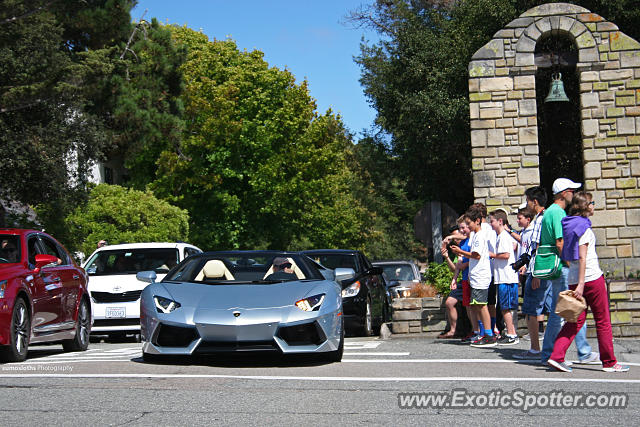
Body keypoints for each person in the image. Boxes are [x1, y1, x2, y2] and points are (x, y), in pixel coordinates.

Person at [548, 192, 629, 373]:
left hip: (573, 278)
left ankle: (556, 356)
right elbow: (583, 257)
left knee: (574, 321)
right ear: (586, 205)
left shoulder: (569, 224)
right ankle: (609, 362)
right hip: (590, 279)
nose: (594, 205)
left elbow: (569, 254)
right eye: (592, 202)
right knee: (603, 321)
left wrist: (576, 281)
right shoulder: (583, 227)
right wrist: (582, 285)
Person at [539, 178, 598, 366]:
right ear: (565, 193)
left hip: (555, 268)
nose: (574, 194)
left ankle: (550, 352)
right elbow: (559, 242)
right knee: (574, 309)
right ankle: (583, 352)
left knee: (562, 312)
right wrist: (571, 263)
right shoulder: (557, 213)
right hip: (563, 268)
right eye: (572, 190)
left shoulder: (550, 211)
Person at [451, 203, 495, 347]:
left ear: (477, 221)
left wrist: (460, 251)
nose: (468, 227)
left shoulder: (480, 235)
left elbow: (476, 255)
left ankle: (489, 334)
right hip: (475, 275)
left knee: (482, 305)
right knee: (476, 305)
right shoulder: (475, 235)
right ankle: (483, 333)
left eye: (469, 223)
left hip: (481, 276)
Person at [514, 186, 550, 360]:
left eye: (528, 200)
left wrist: (535, 273)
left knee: (531, 309)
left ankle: (535, 349)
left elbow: (538, 248)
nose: (527, 204)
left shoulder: (540, 220)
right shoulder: (544, 218)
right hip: (543, 270)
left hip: (538, 270)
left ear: (534, 202)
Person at [489, 210, 520, 345]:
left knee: (506, 307)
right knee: (505, 307)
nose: (491, 224)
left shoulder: (503, 237)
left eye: (492, 221)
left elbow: (506, 255)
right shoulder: (501, 236)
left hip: (506, 277)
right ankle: (510, 332)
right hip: (503, 277)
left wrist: (492, 255)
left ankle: (512, 334)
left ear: (500, 221)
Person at [440, 218, 470, 338]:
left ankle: (475, 331)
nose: (456, 239)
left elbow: (473, 258)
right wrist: (447, 257)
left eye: (457, 236)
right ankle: (453, 330)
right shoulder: (459, 247)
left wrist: (450, 238)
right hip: (462, 280)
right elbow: (455, 268)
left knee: (472, 306)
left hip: (470, 278)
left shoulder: (467, 242)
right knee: (450, 302)